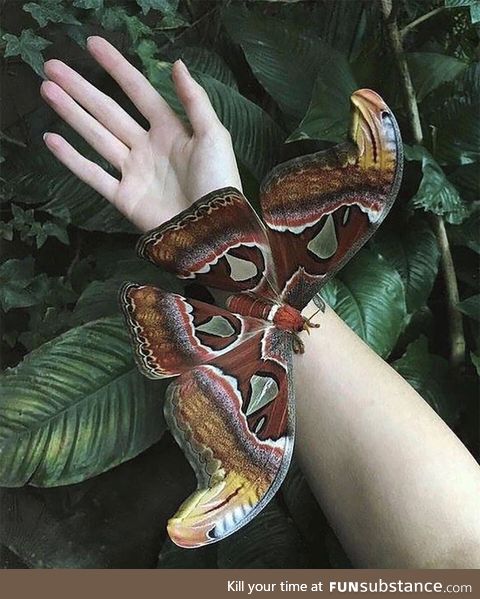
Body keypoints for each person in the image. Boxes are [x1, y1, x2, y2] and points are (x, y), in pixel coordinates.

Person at [40, 36, 480, 568]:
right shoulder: (296, 312)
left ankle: (192, 311)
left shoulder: (296, 307)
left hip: (246, 291)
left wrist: (219, 242)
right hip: (250, 296)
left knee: (262, 442)